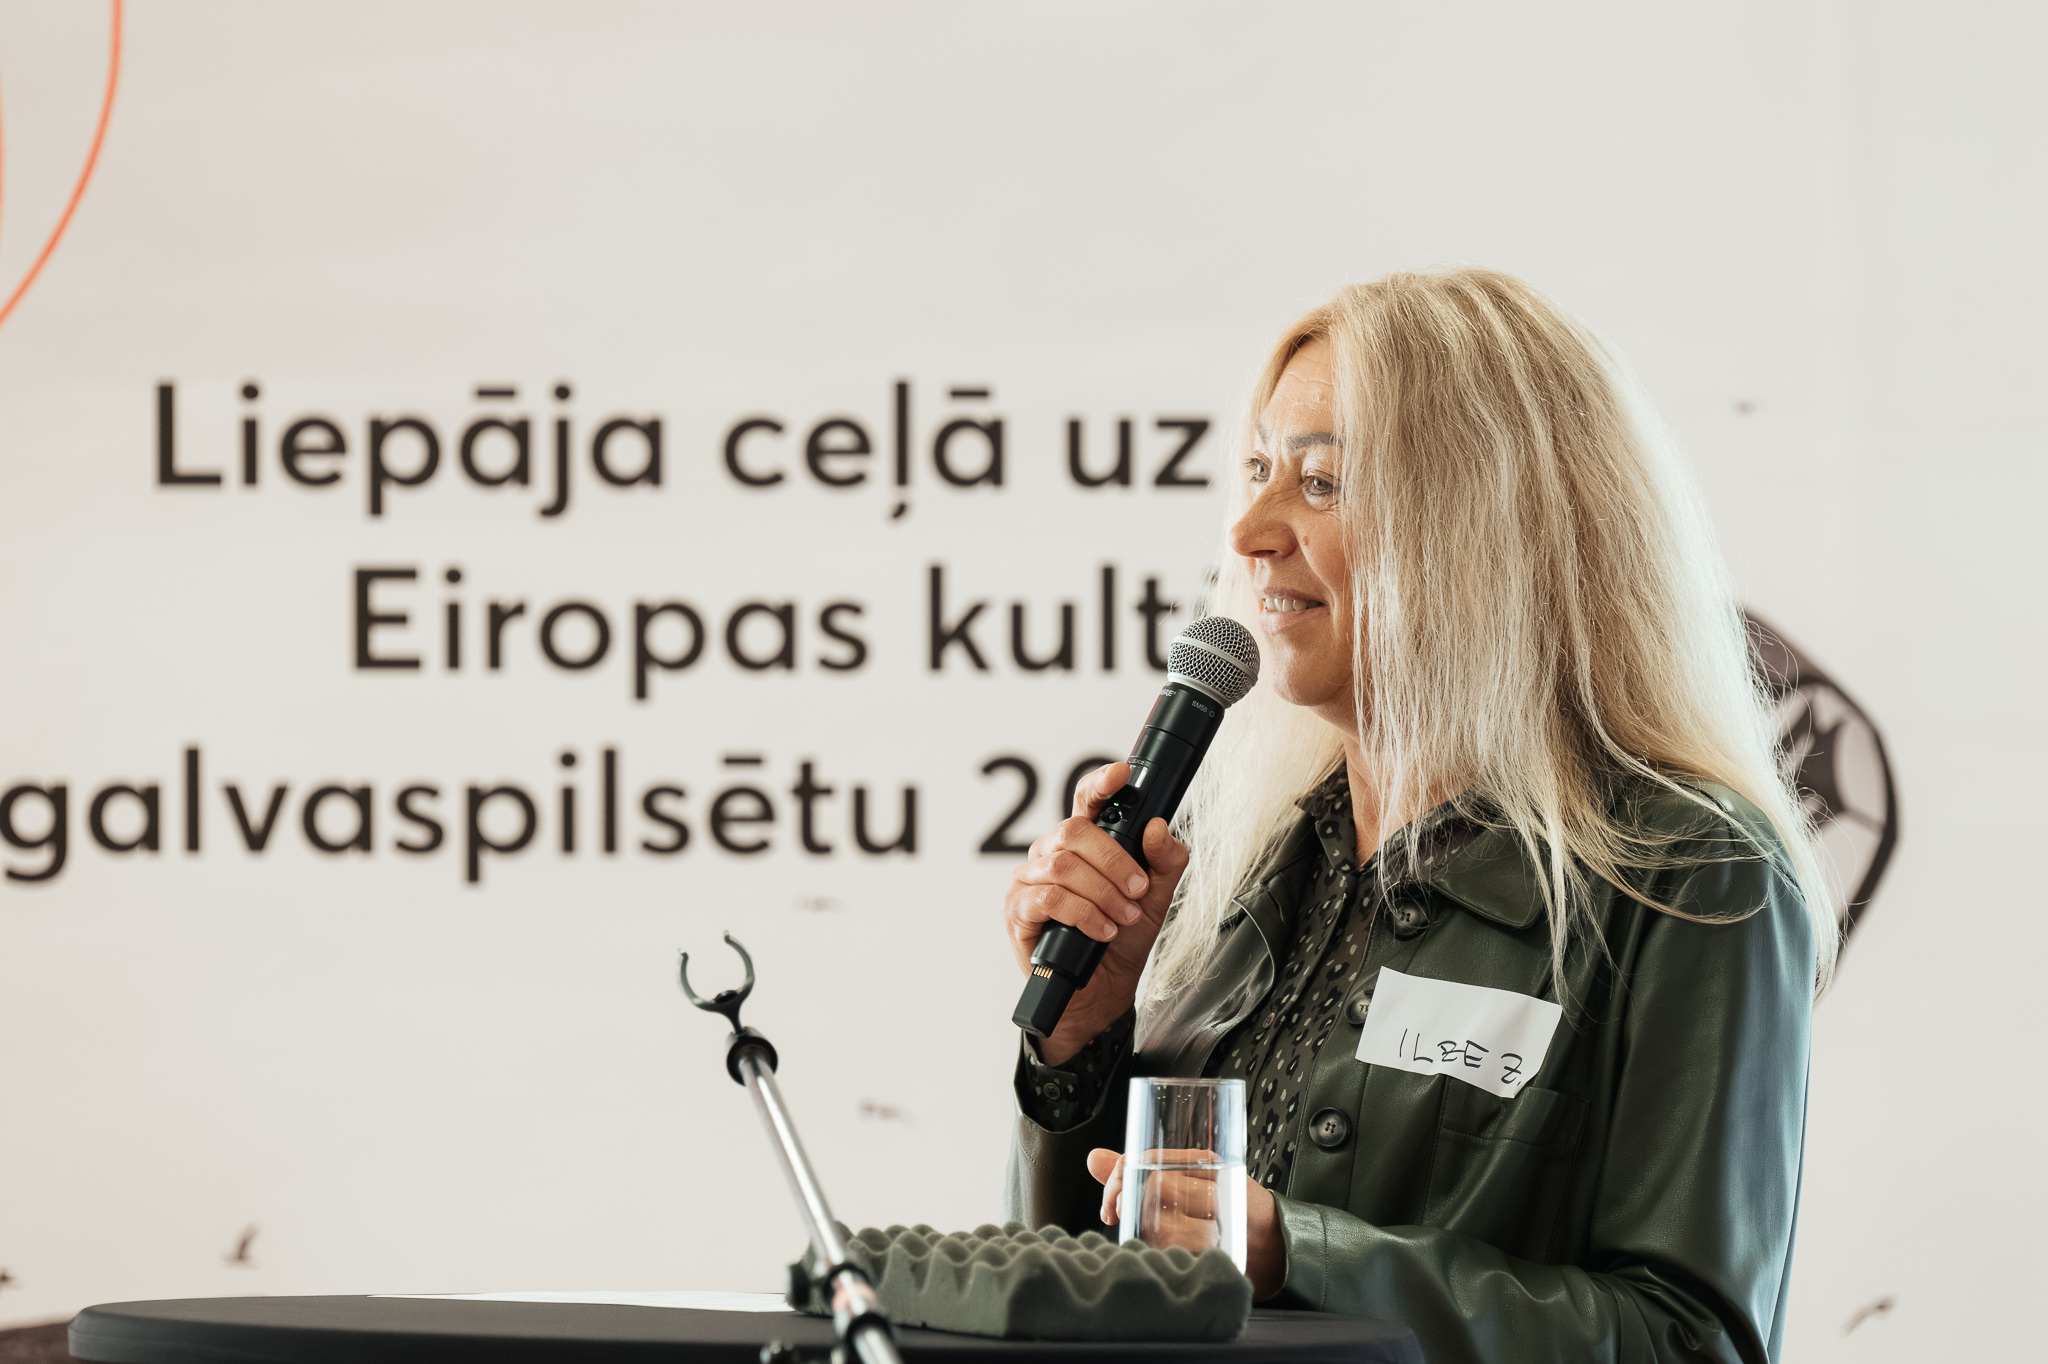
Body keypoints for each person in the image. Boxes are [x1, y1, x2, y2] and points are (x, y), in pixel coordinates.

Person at [999, 268, 1835, 1364]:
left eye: (1321, 482)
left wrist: (1297, 1251)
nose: (1249, 530)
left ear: (1483, 524)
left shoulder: (1691, 869)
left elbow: (1692, 1340)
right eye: (1257, 470)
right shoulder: (1251, 869)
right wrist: (1080, 1040)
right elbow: (1077, 1300)